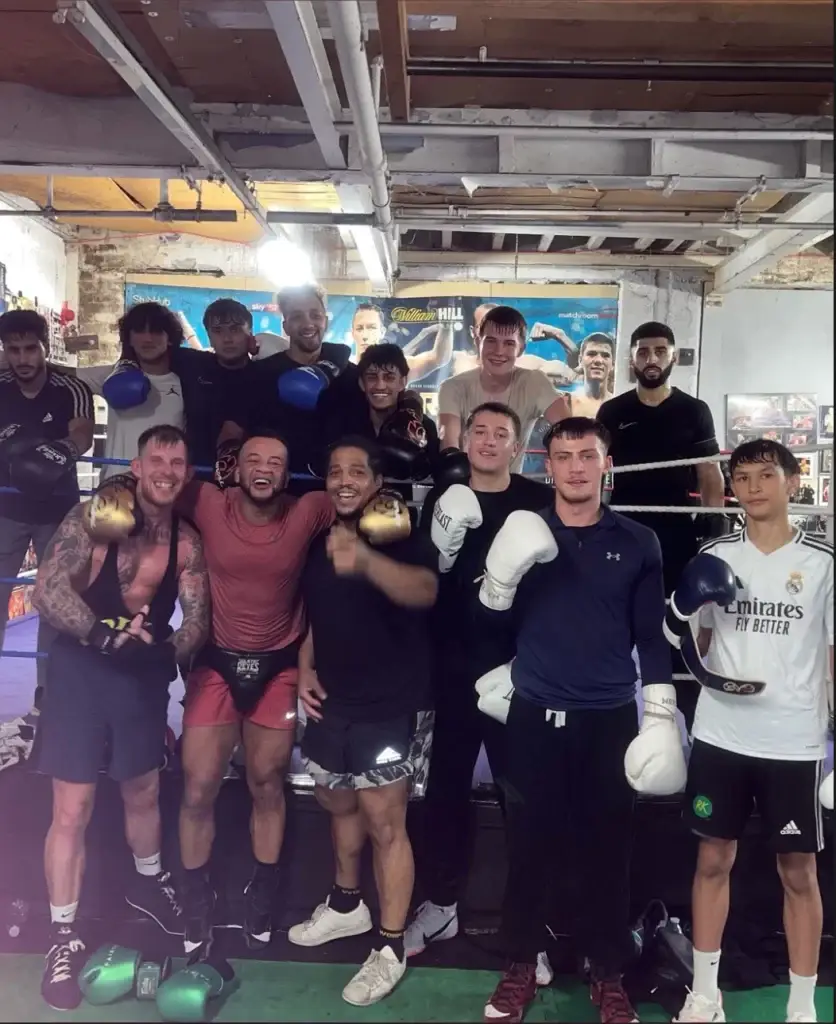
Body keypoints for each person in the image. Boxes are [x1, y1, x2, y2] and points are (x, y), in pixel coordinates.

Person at [474, 416, 683, 1024]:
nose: (574, 467)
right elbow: (487, 628)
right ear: (549, 465)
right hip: (536, 713)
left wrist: (661, 715)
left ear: (605, 463)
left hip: (609, 715)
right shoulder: (524, 533)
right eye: (562, 456)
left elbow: (649, 634)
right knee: (530, 846)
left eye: (586, 455)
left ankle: (608, 972)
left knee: (608, 850)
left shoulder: (638, 541)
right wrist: (497, 582)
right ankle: (520, 965)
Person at [31, 424, 210, 1011]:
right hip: (80, 673)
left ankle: (150, 882)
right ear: (138, 466)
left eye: (177, 461)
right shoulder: (94, 517)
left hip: (139, 678)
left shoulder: (186, 541)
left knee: (142, 789)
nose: (166, 469)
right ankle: (62, 934)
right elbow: (47, 591)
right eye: (156, 458)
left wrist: (161, 651)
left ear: (186, 472)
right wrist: (103, 637)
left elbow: (197, 623)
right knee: (72, 806)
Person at [667, 439, 833, 1024]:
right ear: (731, 488)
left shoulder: (822, 563)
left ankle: (801, 1007)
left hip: (794, 740)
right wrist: (677, 616)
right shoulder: (714, 554)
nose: (754, 486)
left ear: (792, 482)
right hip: (722, 734)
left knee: (799, 871)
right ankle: (705, 995)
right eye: (742, 477)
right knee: (712, 860)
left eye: (767, 474)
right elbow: (696, 646)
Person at [290, 437, 438, 1007]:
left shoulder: (400, 532)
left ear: (376, 480)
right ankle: (348, 904)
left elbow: (425, 592)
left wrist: (368, 560)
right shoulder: (320, 539)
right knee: (338, 801)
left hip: (389, 704)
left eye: (357, 471)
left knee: (384, 821)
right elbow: (317, 616)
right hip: (333, 701)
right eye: (335, 472)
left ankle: (392, 944)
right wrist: (305, 666)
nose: (345, 480)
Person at [176, 429, 334, 953]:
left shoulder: (309, 509)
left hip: (279, 666)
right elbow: (148, 485)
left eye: (275, 462)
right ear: (236, 469)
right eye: (254, 460)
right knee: (198, 784)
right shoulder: (206, 501)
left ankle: (262, 889)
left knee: (266, 780)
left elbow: (367, 501)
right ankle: (195, 898)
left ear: (286, 475)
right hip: (217, 663)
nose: (264, 469)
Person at [406, 402, 552, 957]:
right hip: (452, 667)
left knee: (526, 795)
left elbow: (556, 588)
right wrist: (439, 559)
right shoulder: (444, 501)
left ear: (518, 446)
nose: (490, 441)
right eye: (480, 431)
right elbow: (424, 587)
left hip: (519, 672)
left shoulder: (538, 502)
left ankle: (528, 925)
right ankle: (441, 906)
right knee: (444, 790)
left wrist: (534, 661)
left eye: (502, 434)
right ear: (465, 440)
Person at [597, 321, 725, 727]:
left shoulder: (694, 410)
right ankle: (610, 720)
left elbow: (709, 473)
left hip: (677, 535)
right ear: (631, 357)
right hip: (623, 531)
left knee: (675, 629)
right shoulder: (613, 411)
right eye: (643, 351)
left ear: (672, 356)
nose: (651, 359)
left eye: (660, 351)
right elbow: (597, 469)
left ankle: (687, 729)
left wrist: (716, 530)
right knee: (614, 621)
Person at [0, 309, 94, 707]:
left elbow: (83, 434)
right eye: (13, 349)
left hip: (57, 511)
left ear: (44, 347)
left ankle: (47, 695)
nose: (22, 358)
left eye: (29, 349)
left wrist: (57, 453)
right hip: (6, 509)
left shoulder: (69, 388)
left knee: (53, 600)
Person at [250, 284, 359, 493]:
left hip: (338, 494)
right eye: (297, 316)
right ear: (286, 326)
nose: (308, 323)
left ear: (325, 321)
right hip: (281, 495)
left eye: (315, 315)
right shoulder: (262, 375)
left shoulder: (351, 375)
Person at [438, 305, 569, 472]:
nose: (499, 351)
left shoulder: (535, 382)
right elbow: (449, 442)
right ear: (478, 342)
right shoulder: (452, 387)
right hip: (464, 485)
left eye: (508, 343)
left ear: (520, 349)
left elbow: (569, 431)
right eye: (491, 341)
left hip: (511, 490)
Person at [69, 302, 185, 482]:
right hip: (115, 485)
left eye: (155, 331)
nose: (147, 339)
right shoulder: (109, 375)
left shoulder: (185, 383)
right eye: (139, 331)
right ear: (129, 338)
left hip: (165, 486)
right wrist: (13, 360)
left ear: (169, 338)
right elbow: (61, 373)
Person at [320, 342, 439, 495]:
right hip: (352, 509)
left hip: (404, 511)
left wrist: (415, 461)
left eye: (389, 377)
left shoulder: (422, 426)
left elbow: (431, 476)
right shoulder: (344, 424)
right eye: (372, 377)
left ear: (402, 382)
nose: (380, 385)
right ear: (362, 384)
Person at [172, 298, 264, 473]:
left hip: (250, 482)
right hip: (197, 480)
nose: (227, 338)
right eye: (217, 331)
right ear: (209, 336)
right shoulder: (192, 364)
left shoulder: (266, 375)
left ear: (250, 332)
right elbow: (146, 347)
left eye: (235, 329)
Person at [569, 332, 615, 418]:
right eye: (591, 354)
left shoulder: (620, 406)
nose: (598, 360)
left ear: (612, 364)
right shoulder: (567, 405)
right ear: (580, 360)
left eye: (605, 355)